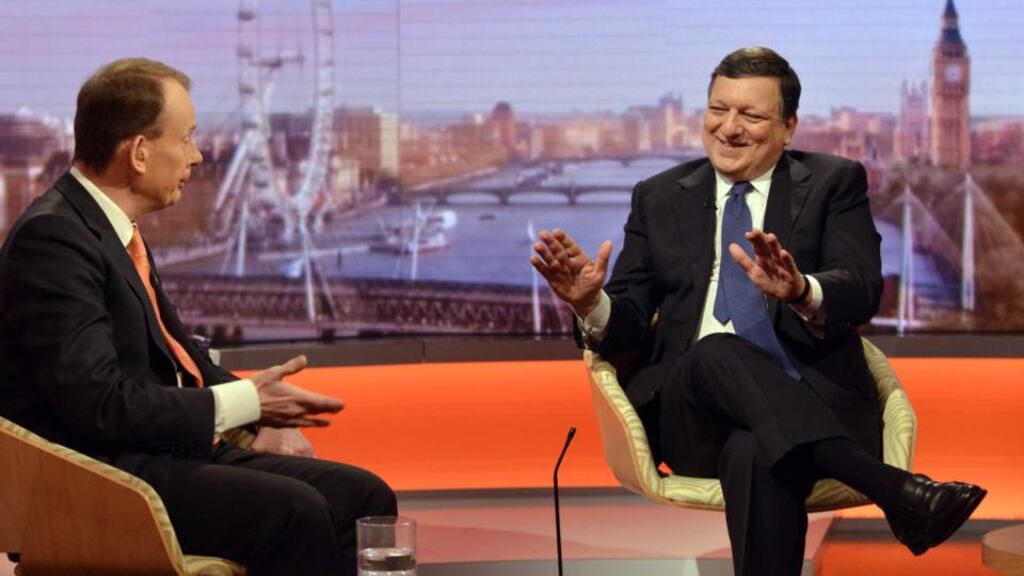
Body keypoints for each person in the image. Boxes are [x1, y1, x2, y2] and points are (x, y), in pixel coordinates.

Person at [531, 46, 986, 576]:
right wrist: (591, 303)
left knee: (756, 451)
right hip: (692, 416)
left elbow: (861, 287)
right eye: (718, 110)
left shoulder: (835, 183)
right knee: (714, 351)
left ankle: (900, 496)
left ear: (789, 127)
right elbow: (628, 322)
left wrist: (800, 291)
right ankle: (893, 489)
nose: (729, 128)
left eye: (750, 115)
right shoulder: (658, 197)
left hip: (814, 403)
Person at [0, 58, 395, 576]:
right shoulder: (53, 238)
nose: (198, 155)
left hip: (152, 450)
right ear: (139, 152)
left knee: (364, 495)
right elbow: (97, 403)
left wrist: (255, 416)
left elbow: (179, 354)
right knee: (295, 512)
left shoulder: (110, 228)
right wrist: (244, 403)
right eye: (186, 139)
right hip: (100, 474)